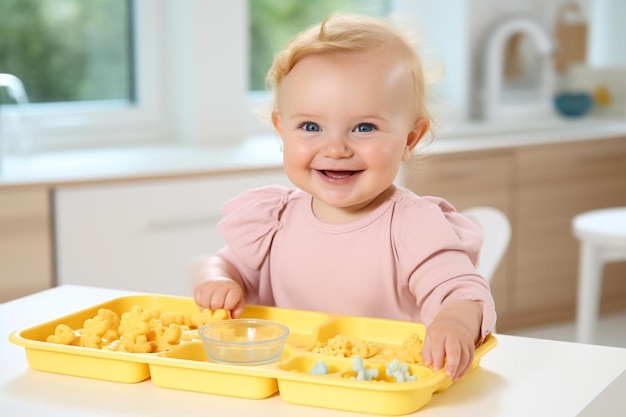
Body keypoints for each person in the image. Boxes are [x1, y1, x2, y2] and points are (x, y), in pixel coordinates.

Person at [194, 13, 496, 381]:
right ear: (281, 130)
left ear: (410, 139)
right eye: (310, 127)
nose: (335, 148)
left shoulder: (412, 226)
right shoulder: (272, 219)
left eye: (364, 127)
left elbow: (461, 292)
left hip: (379, 386)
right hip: (286, 387)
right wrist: (218, 282)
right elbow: (224, 265)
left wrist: (453, 323)